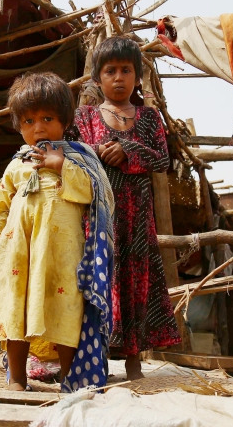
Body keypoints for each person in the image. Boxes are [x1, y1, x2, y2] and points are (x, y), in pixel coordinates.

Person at [0, 72, 115, 392]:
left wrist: (60, 165)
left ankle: (72, 379)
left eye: (47, 118)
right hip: (19, 254)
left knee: (65, 313)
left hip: (63, 254)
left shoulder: (78, 157)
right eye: (28, 121)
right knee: (15, 312)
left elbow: (95, 193)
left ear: (64, 120)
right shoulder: (16, 165)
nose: (38, 128)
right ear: (19, 125)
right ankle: (17, 377)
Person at [69, 36, 181, 380]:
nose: (118, 78)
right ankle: (96, 364)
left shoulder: (149, 118)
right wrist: (99, 152)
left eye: (126, 70)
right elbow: (76, 154)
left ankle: (134, 364)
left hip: (137, 219)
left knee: (136, 285)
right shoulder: (84, 115)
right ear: (97, 78)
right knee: (101, 283)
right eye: (110, 71)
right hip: (101, 218)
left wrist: (126, 150)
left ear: (137, 76)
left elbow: (162, 158)